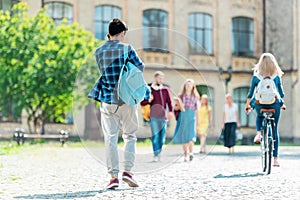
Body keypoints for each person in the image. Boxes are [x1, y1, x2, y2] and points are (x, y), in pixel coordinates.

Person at [88, 18, 145, 189]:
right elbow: (140, 67)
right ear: (121, 33)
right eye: (124, 34)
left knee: (110, 138)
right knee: (130, 136)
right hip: (126, 99)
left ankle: (113, 177)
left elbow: (103, 72)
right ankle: (127, 172)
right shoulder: (127, 48)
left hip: (107, 100)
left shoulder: (99, 51)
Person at [245, 53, 286, 167]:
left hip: (260, 104)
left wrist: (248, 105)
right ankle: (275, 159)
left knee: (259, 116)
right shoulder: (276, 77)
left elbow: (251, 93)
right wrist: (281, 103)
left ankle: (258, 134)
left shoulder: (256, 76)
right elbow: (281, 94)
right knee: (275, 129)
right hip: (274, 105)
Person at [141, 71, 173, 162]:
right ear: (155, 78)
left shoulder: (165, 90)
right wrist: (149, 100)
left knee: (162, 137)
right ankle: (156, 154)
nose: (161, 80)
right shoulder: (149, 89)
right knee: (155, 136)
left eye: (162, 78)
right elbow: (142, 102)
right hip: (154, 117)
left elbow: (169, 102)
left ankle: (159, 152)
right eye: (159, 78)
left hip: (163, 117)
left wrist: (170, 111)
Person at [172, 79, 199, 162]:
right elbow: (175, 107)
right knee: (184, 138)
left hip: (191, 118)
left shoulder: (195, 97)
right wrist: (180, 106)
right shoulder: (180, 96)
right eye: (187, 85)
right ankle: (185, 155)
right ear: (184, 86)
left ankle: (191, 153)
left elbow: (197, 110)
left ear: (193, 86)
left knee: (191, 136)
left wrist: (198, 121)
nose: (188, 86)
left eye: (190, 85)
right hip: (183, 117)